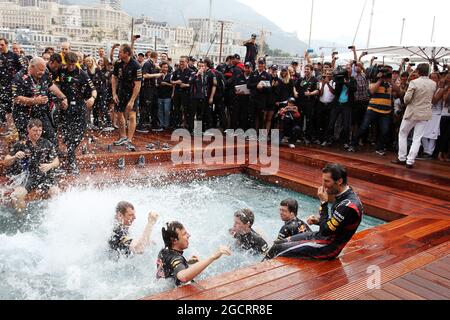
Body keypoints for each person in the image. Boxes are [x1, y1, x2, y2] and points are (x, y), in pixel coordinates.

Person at [264, 164, 364, 261]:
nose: (323, 185)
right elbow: (338, 225)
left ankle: (260, 273)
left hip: (327, 246)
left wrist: (324, 203)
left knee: (278, 249)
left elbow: (326, 231)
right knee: (278, 242)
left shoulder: (348, 206)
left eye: (327, 181)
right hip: (321, 236)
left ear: (339, 181)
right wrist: (319, 221)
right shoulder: (344, 194)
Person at [3, 119, 61, 211]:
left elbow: (56, 161)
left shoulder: (47, 143)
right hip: (28, 176)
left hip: (44, 175)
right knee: (17, 196)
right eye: (35, 130)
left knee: (56, 192)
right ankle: (21, 220)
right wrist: (14, 156)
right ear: (28, 130)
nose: (37, 133)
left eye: (40, 130)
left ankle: (50, 216)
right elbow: (6, 161)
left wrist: (49, 165)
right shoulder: (20, 144)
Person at [11, 57, 67, 146]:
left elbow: (51, 85)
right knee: (28, 140)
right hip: (23, 114)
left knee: (51, 136)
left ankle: (52, 156)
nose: (42, 72)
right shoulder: (20, 76)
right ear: (32, 67)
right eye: (40, 70)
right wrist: (34, 101)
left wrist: (63, 97)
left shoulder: (45, 73)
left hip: (41, 112)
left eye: (44, 70)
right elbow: (17, 98)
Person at [156, 221, 231, 286]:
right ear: (174, 241)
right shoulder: (176, 259)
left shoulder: (164, 251)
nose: (189, 235)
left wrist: (186, 264)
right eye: (184, 234)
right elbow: (183, 277)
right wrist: (213, 257)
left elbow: (170, 268)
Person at [57, 52, 97, 174]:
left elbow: (93, 89)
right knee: (67, 133)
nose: (71, 67)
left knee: (79, 133)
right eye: (69, 64)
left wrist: (92, 98)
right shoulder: (61, 71)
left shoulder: (83, 74)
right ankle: (71, 158)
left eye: (73, 64)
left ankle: (71, 152)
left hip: (79, 107)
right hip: (66, 107)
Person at [392, 63, 437, 169]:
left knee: (403, 133)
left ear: (418, 71)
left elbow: (406, 99)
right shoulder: (433, 84)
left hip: (412, 112)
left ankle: (402, 158)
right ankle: (410, 161)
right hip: (425, 113)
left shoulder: (414, 82)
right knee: (417, 138)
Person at [111, 44, 143, 152]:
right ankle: (123, 137)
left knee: (132, 116)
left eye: (120, 52)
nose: (118, 53)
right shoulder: (118, 63)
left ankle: (129, 140)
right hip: (121, 92)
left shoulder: (136, 65)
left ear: (127, 53)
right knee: (119, 114)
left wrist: (132, 100)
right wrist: (114, 93)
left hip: (133, 93)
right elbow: (114, 78)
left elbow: (138, 84)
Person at [0, 37, 26, 136]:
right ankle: (3, 128)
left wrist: (18, 81)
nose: (0, 47)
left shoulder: (14, 56)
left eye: (2, 45)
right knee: (2, 108)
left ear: (6, 45)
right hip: (2, 86)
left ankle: (11, 128)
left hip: (12, 87)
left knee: (11, 108)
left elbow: (23, 70)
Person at [295, 64, 319, 145]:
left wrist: (310, 93)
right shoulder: (301, 79)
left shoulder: (315, 80)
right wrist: (295, 92)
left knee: (309, 121)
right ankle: (299, 137)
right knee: (300, 120)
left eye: (308, 69)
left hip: (310, 104)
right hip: (301, 103)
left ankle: (308, 137)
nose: (306, 71)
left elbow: (317, 90)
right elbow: (294, 86)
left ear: (311, 70)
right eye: (305, 69)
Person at [139, 51, 162, 133]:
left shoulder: (153, 65)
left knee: (155, 106)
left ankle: (154, 124)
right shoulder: (147, 64)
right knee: (146, 107)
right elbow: (144, 75)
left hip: (153, 88)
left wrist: (158, 68)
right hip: (147, 88)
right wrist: (156, 75)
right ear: (156, 57)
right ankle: (140, 125)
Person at [248, 58, 272, 131]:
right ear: (257, 64)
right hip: (253, 99)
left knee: (261, 118)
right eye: (259, 63)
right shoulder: (253, 73)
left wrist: (262, 88)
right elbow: (248, 85)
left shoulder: (267, 75)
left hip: (262, 101)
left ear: (264, 64)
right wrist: (256, 85)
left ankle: (260, 135)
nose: (260, 65)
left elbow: (269, 89)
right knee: (252, 117)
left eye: (262, 63)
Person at [171, 56, 192, 129]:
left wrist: (185, 85)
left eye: (183, 61)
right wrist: (177, 82)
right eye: (180, 61)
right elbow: (171, 81)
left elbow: (192, 83)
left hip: (186, 94)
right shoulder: (176, 71)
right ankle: (176, 124)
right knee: (176, 110)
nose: (181, 63)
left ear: (187, 62)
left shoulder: (191, 72)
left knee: (186, 110)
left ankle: (187, 125)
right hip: (177, 93)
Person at [156, 62, 173, 130]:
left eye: (166, 67)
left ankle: (166, 125)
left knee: (166, 111)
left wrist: (166, 83)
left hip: (167, 96)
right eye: (164, 67)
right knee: (160, 111)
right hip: (159, 95)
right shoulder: (158, 75)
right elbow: (156, 83)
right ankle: (161, 124)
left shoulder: (170, 75)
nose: (165, 68)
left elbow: (173, 85)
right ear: (161, 67)